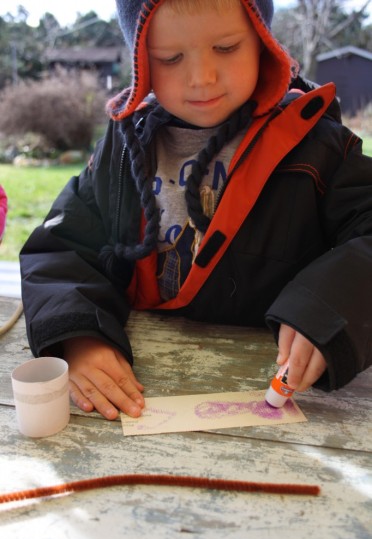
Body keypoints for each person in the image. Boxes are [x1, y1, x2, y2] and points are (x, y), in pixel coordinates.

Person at [20, 0, 372, 420]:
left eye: (226, 48)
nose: (201, 78)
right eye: (170, 58)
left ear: (263, 44)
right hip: (143, 394)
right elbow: (61, 249)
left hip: (278, 403)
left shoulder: (319, 147)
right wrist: (77, 335)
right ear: (141, 64)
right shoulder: (120, 149)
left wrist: (331, 307)